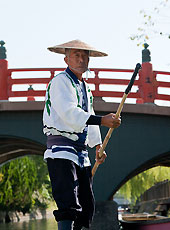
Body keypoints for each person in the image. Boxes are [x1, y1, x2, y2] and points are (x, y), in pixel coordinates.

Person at [43, 40, 121, 230]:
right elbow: (69, 112)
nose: (81, 59)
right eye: (76, 55)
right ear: (66, 59)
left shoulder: (85, 87)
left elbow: (88, 116)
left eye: (84, 56)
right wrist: (102, 120)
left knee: (87, 206)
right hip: (61, 151)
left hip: (81, 154)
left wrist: (97, 146)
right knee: (68, 205)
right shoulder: (60, 81)